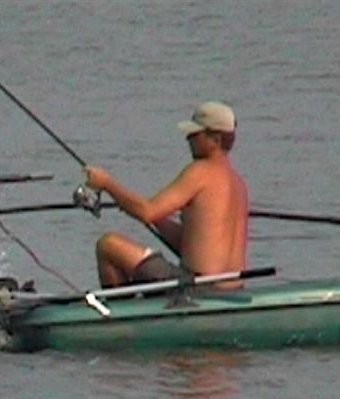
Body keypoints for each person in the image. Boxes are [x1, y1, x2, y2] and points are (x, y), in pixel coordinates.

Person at [84, 100, 248, 289]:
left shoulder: (200, 172)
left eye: (195, 134)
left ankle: (122, 315)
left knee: (108, 245)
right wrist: (155, 219)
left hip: (196, 287)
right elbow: (192, 246)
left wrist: (106, 183)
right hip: (232, 289)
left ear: (216, 140)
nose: (188, 139)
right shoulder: (238, 184)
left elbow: (147, 211)